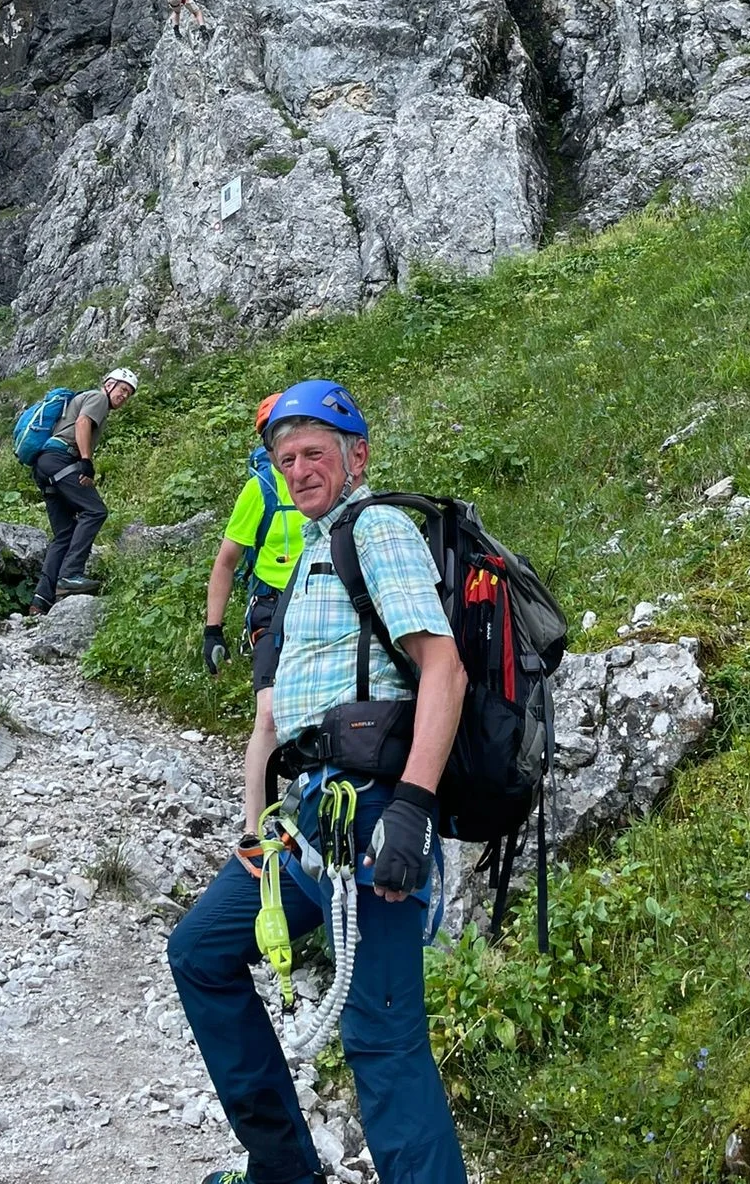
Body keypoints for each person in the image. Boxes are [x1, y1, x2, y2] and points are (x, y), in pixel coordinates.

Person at [168, 379, 469, 1184]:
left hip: (372, 814)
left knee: (381, 1032)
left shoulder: (377, 530)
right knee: (200, 952)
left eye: (314, 453)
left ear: (355, 455)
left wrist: (412, 809)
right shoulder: (308, 551)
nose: (299, 469)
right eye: (285, 458)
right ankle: (283, 1171)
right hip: (306, 823)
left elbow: (443, 670)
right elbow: (277, 716)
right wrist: (256, 824)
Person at [203, 392, 304, 836]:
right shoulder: (260, 489)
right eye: (276, 437)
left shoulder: (333, 479)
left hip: (322, 604)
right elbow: (226, 561)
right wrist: (213, 629)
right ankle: (253, 826)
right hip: (271, 607)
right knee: (268, 714)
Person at [27, 367, 138, 614]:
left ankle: (40, 600)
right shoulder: (97, 398)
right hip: (60, 458)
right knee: (95, 511)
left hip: (45, 466)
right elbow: (83, 422)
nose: (124, 396)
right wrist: (86, 461)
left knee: (64, 533)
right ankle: (70, 575)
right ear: (108, 384)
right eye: (122, 389)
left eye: (128, 394)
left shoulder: (85, 398)